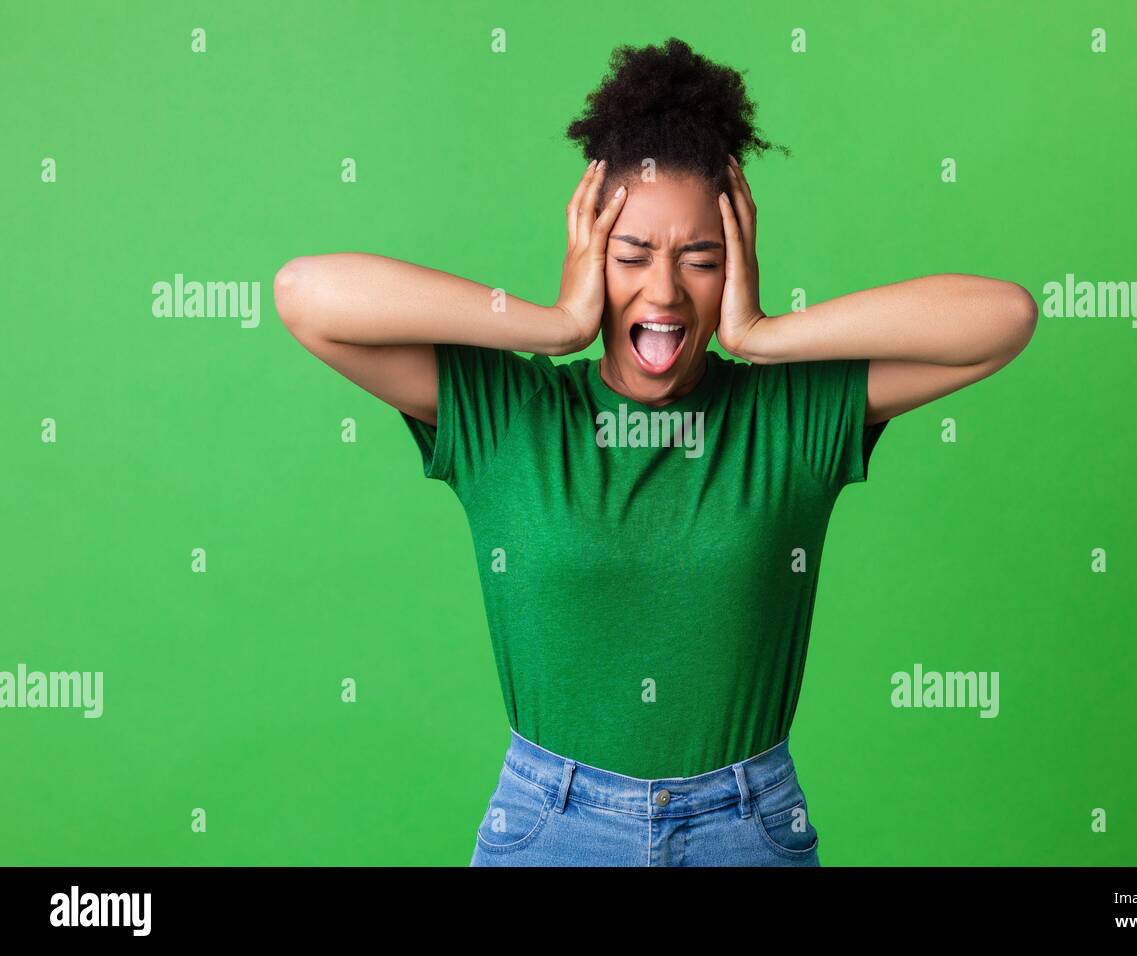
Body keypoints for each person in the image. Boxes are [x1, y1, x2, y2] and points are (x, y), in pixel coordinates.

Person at [272, 37, 1036, 866]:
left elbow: (1003, 318)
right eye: (631, 254)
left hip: (748, 826)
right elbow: (306, 294)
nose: (665, 291)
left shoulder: (789, 418)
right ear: (589, 254)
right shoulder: (511, 415)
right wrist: (556, 322)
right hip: (549, 824)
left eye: (700, 259)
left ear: (735, 261)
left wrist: (764, 335)